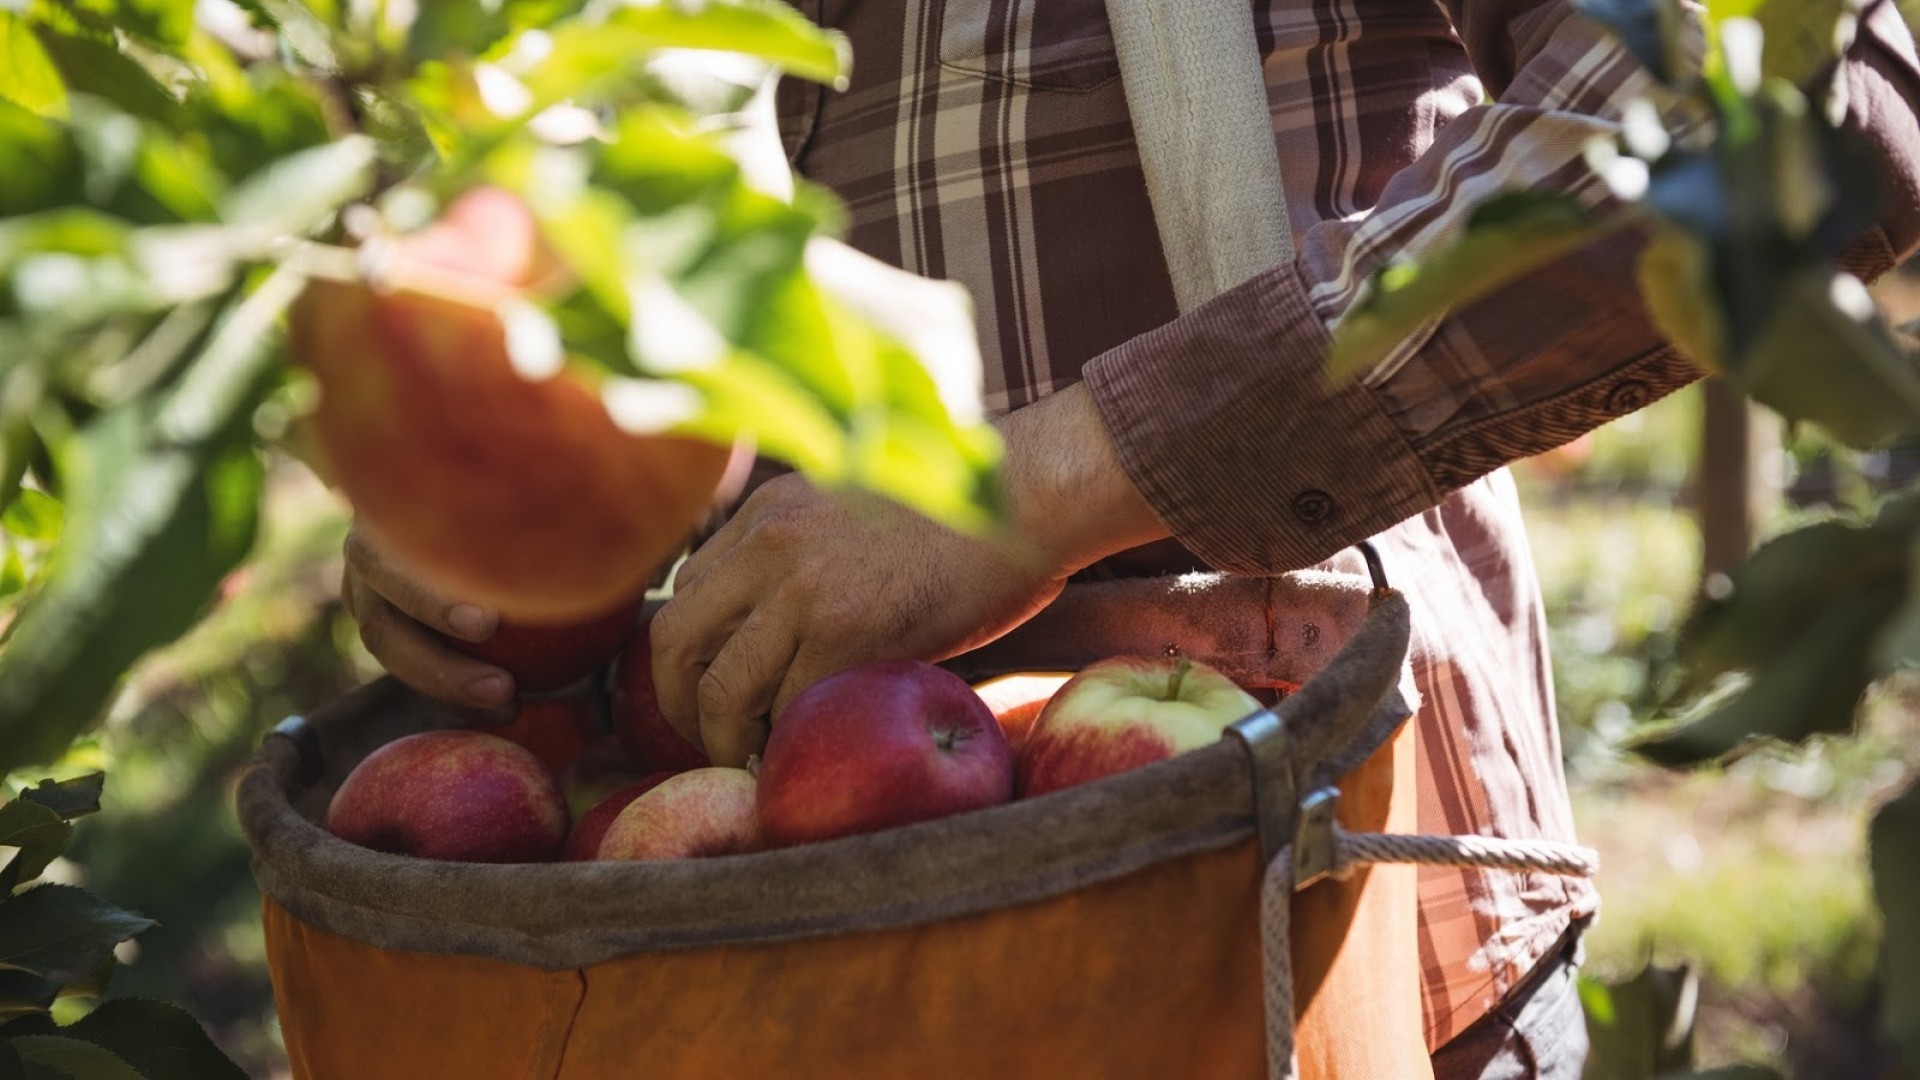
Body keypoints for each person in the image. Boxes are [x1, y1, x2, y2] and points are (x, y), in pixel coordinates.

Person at [341, 0, 1920, 1074]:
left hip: (1316, 922)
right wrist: (489, 488)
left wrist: (1045, 486)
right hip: (759, 963)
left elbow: (1790, 119)